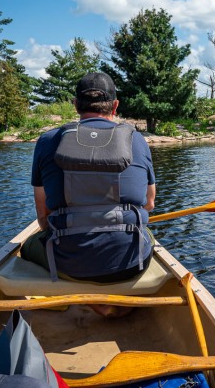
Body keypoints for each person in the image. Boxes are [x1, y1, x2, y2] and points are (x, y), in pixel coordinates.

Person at [22, 72, 156, 305]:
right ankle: (112, 305)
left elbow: (43, 217)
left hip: (69, 264)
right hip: (131, 264)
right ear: (115, 105)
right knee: (147, 233)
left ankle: (63, 300)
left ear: (75, 105)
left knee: (27, 248)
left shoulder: (47, 140)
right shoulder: (137, 140)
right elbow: (149, 203)